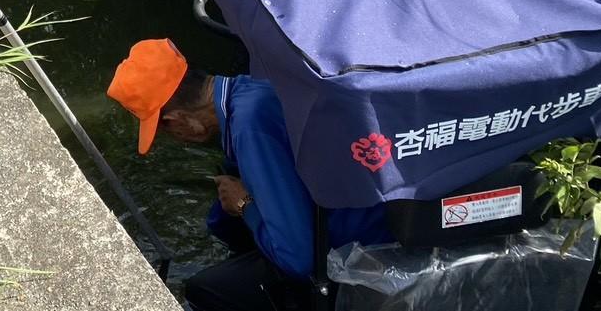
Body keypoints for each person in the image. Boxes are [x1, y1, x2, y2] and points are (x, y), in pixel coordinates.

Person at [107, 39, 391, 311]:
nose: (176, 138)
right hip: (378, 212)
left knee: (203, 289)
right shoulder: (251, 88)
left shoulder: (250, 127)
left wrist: (244, 204)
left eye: (166, 130)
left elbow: (298, 259)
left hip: (359, 249)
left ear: (179, 119)